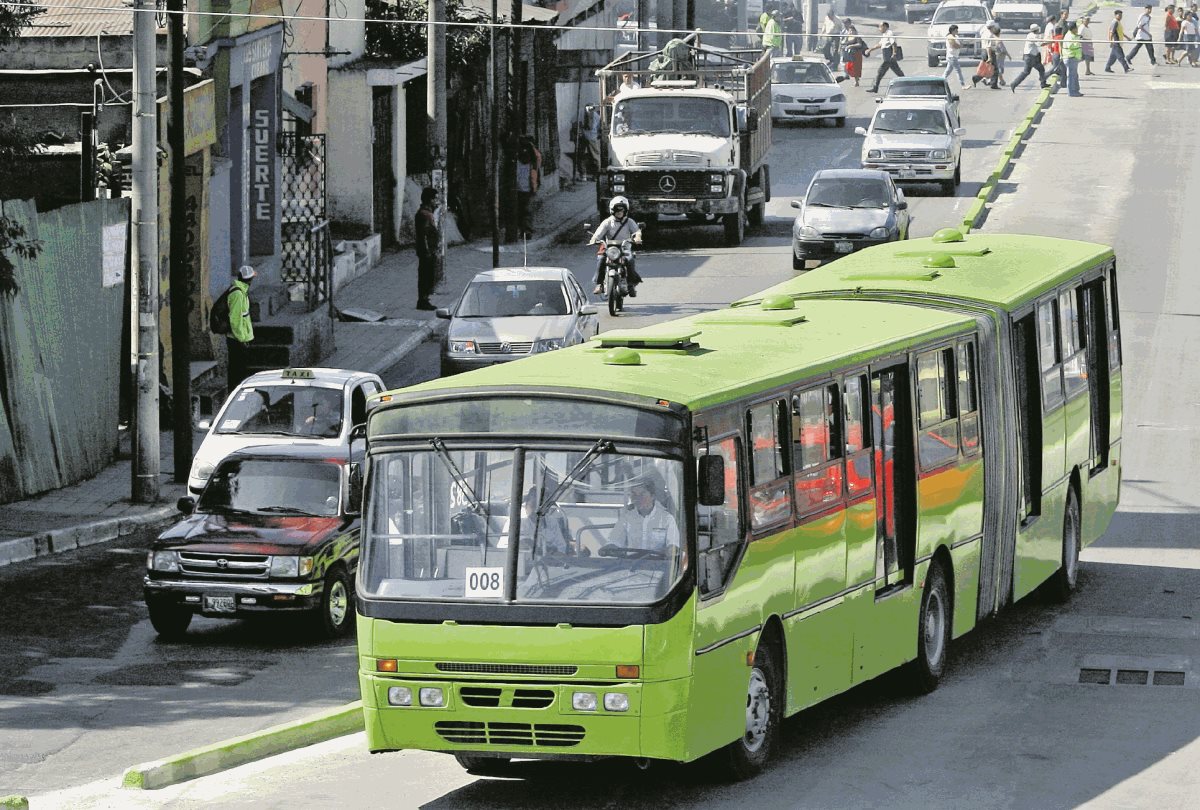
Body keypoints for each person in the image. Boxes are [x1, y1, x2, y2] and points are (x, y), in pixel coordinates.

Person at [608, 478, 680, 553]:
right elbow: (614, 541)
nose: (637, 498)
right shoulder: (626, 518)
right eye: (634, 494)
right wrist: (610, 547)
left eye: (642, 494)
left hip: (657, 563)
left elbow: (673, 544)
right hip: (631, 563)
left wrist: (670, 550)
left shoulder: (667, 519)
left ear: (653, 496)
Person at [590, 195, 643, 295]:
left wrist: (637, 238)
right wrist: (594, 239)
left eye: (622, 210)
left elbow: (637, 232)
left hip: (624, 248)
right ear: (612, 210)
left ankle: (631, 284)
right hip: (610, 249)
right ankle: (599, 284)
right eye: (617, 210)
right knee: (601, 259)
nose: (619, 212)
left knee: (630, 260)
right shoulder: (607, 222)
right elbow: (598, 234)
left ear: (625, 211)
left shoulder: (629, 222)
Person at [226, 265, 255, 390]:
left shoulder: (241, 291)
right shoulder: (237, 294)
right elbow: (235, 320)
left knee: (239, 370)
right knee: (237, 371)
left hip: (241, 338)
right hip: (237, 340)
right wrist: (242, 339)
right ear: (249, 280)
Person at [414, 186, 438, 311]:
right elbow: (423, 235)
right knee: (425, 276)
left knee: (428, 275)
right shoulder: (424, 214)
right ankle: (423, 300)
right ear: (429, 199)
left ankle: (425, 299)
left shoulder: (427, 213)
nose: (436, 201)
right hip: (426, 251)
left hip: (429, 250)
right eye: (434, 199)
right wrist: (427, 251)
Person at [865, 21, 904, 93]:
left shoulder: (889, 33)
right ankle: (906, 83)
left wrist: (894, 53)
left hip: (889, 57)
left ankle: (875, 88)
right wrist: (870, 50)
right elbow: (879, 45)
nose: (879, 29)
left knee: (880, 72)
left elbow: (894, 44)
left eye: (880, 27)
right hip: (887, 57)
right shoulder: (884, 35)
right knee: (898, 72)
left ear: (885, 27)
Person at [515, 136, 541, 240]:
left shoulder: (531, 165)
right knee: (523, 211)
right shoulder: (519, 163)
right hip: (520, 189)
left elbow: (537, 156)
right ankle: (524, 230)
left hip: (527, 189)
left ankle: (526, 230)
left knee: (526, 211)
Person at [1010, 23, 1048, 91]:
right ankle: (1014, 84)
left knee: (1032, 71)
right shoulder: (1033, 36)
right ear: (1037, 30)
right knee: (1033, 70)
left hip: (1031, 56)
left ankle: (1014, 83)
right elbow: (1040, 44)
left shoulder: (1032, 35)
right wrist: (1050, 42)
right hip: (1030, 57)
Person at [973, 22, 1002, 88]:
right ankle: (993, 84)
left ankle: (977, 78)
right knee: (995, 69)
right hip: (989, 52)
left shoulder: (984, 32)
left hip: (983, 51)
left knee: (986, 68)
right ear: (992, 27)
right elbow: (988, 47)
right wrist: (990, 56)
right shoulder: (990, 35)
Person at [578, 104, 601, 181]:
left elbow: (573, 122)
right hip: (590, 137)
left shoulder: (581, 113)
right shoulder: (596, 116)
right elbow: (599, 127)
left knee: (584, 155)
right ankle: (594, 175)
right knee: (594, 156)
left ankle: (585, 175)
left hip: (586, 136)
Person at [1063, 21, 1084, 96]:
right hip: (1070, 57)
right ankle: (1071, 92)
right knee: (1071, 76)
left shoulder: (1073, 35)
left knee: (1074, 75)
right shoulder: (1069, 36)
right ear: (1073, 29)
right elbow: (1070, 46)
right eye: (1076, 28)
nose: (1077, 29)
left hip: (1074, 57)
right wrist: (1078, 42)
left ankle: (1076, 90)